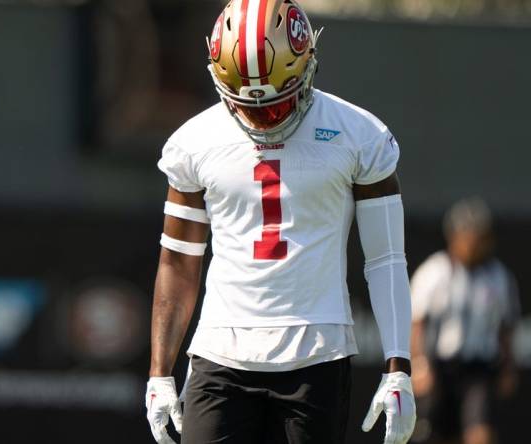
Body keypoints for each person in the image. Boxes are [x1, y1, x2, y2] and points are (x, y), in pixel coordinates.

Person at [145, 1, 416, 443]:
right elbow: (178, 261)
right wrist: (159, 373)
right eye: (248, 105)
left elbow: (386, 258)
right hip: (220, 354)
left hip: (316, 356)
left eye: (275, 103)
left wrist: (398, 365)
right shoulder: (194, 143)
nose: (260, 117)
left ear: (308, 64)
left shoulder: (358, 135)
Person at [410, 197, 520, 444]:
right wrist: (419, 364)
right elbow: (417, 323)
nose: (473, 244)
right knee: (437, 432)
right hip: (440, 367)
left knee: (480, 431)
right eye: (468, 236)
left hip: (478, 369)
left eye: (479, 237)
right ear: (454, 236)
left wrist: (508, 364)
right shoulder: (434, 271)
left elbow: (506, 325)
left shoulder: (498, 276)